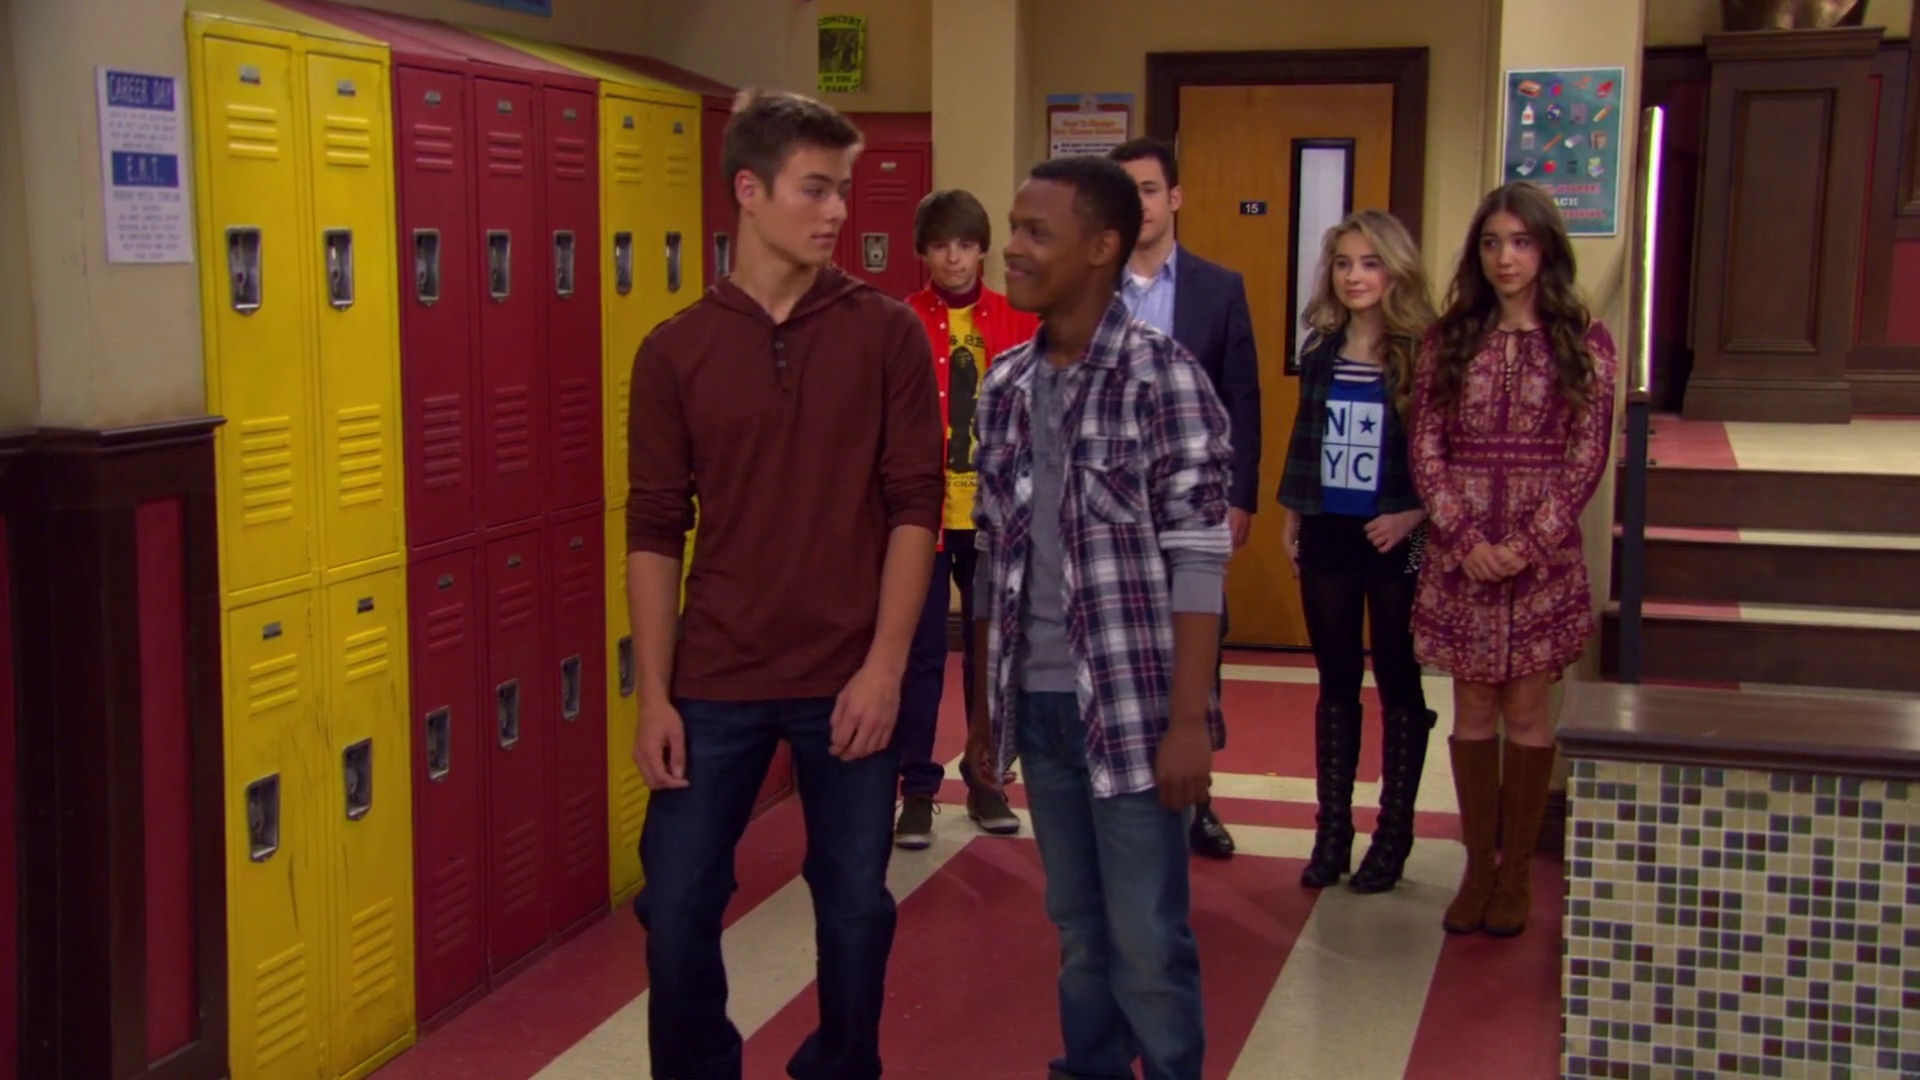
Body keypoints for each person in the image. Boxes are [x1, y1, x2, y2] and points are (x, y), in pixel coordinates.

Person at [624, 88, 943, 1080]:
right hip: (717, 676)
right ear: (749, 191)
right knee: (677, 901)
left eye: (843, 188)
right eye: (815, 188)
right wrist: (654, 695)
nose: (838, 210)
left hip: (847, 674)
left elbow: (915, 508)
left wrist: (885, 669)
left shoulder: (886, 333)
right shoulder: (674, 350)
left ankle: (840, 1066)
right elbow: (653, 530)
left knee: (853, 908)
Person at [967, 154, 1231, 1080]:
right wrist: (983, 715)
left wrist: (1189, 722)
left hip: (1133, 712)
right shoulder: (1003, 385)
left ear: (1101, 248)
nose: (1012, 248)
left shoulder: (1164, 378)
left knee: (1148, 938)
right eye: (1013, 227)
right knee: (1077, 928)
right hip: (1039, 706)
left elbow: (1199, 559)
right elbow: (991, 560)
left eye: (1035, 232)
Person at [1409, 181, 1618, 937]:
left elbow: (1587, 456)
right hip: (1461, 553)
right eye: (1493, 243)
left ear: (1546, 250)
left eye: (1521, 242)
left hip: (1542, 558)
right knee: (1472, 708)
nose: (1506, 257)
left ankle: (1518, 872)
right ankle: (1477, 866)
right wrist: (1465, 539)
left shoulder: (1584, 340)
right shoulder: (1448, 338)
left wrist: (1526, 545)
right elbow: (1425, 446)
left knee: (1527, 709)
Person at [1277, 210, 1438, 893]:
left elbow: (1443, 451)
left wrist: (1414, 513)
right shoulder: (1321, 350)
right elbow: (1304, 439)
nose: (1354, 276)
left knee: (1399, 677)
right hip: (1328, 532)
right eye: (1343, 263)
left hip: (1398, 537)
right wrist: (1292, 517)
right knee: (1336, 681)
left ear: (1395, 271)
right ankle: (1332, 832)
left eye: (1369, 263)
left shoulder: (1423, 353)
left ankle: (1393, 834)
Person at [1109, 137, 1259, 861]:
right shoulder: (1091, 284)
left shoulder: (1218, 288)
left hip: (1193, 502)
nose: (1138, 204)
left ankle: (1198, 798)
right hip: (1110, 505)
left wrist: (1241, 496)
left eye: (1148, 189)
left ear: (1174, 197)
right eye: (1125, 191)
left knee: (1199, 643)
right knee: (1117, 646)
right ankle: (1118, 788)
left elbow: (1243, 397)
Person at [894, 189, 1038, 849]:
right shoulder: (900, 322)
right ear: (923, 252)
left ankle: (985, 782)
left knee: (988, 656)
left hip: (994, 517)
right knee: (921, 655)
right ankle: (917, 790)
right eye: (940, 246)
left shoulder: (1018, 320)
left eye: (965, 245)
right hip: (920, 519)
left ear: (982, 249)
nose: (953, 258)